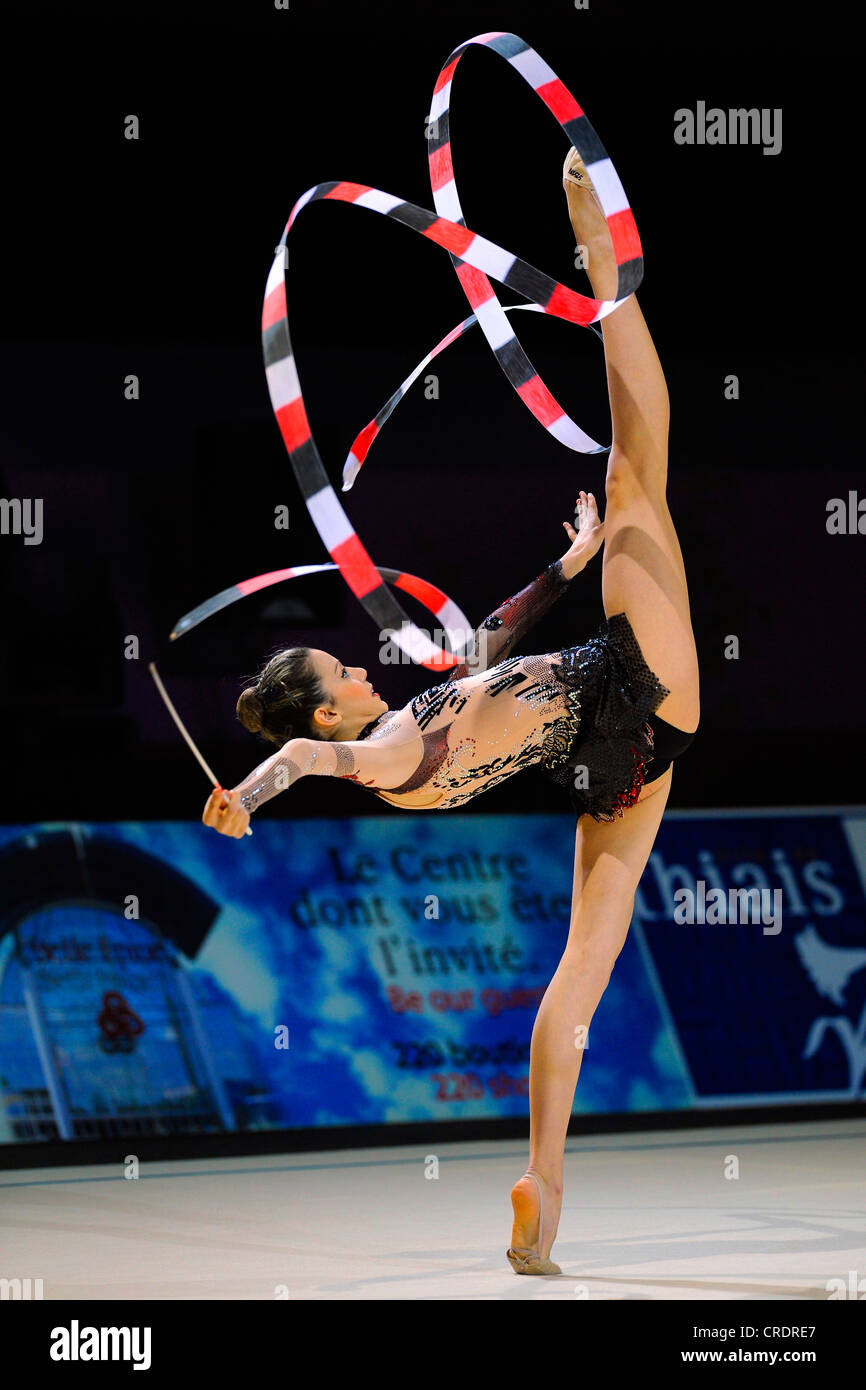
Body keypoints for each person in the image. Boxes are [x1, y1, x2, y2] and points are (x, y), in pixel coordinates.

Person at [202, 147, 700, 1274]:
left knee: (578, 971)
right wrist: (252, 788)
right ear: (324, 716)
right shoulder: (369, 752)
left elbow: (484, 650)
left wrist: (565, 564)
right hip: (629, 682)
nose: (359, 671)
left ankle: (545, 1186)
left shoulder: (409, 736)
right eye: (341, 677)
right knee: (636, 469)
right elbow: (311, 766)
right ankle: (602, 269)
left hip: (619, 753)